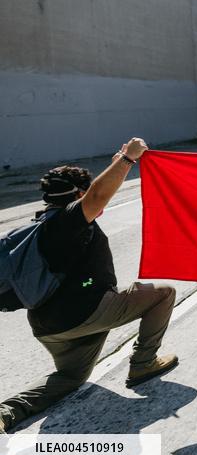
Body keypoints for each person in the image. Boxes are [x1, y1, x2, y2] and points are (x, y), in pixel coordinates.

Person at [0, 139, 179, 435]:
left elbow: (98, 192)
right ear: (80, 195)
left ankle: (8, 411)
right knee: (163, 294)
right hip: (86, 313)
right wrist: (126, 158)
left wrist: (116, 165)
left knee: (70, 377)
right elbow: (97, 195)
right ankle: (144, 363)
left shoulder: (45, 224)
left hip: (49, 326)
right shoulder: (67, 220)